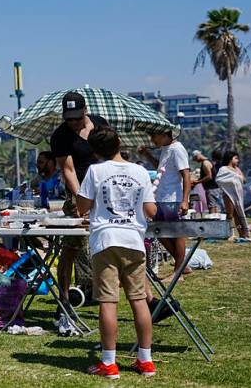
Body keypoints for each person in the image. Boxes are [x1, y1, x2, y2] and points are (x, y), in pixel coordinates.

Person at [76, 127, 158, 379]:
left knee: (108, 301)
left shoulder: (95, 171)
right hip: (133, 240)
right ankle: (145, 360)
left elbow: (82, 207)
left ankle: (109, 363)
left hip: (105, 240)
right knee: (139, 300)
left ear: (95, 151)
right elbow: (151, 210)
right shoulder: (140, 171)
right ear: (120, 143)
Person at [49, 92, 110, 307]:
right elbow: (68, 171)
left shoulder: (101, 124)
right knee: (71, 246)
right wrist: (80, 200)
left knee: (109, 243)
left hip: (105, 191)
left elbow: (111, 154)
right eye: (69, 118)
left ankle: (107, 293)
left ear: (85, 111)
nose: (73, 122)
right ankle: (64, 299)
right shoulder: (60, 136)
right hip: (78, 192)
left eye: (77, 117)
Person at [138, 131, 191, 276]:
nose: (152, 139)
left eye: (154, 135)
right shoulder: (165, 149)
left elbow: (186, 175)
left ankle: (178, 272)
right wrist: (147, 155)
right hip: (162, 197)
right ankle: (182, 265)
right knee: (159, 230)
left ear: (166, 135)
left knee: (176, 232)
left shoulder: (177, 148)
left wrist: (185, 200)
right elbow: (161, 168)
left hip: (173, 197)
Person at [214, 150, 251, 240]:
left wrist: (237, 174)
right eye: (236, 158)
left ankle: (242, 233)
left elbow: (244, 180)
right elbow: (219, 179)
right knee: (230, 214)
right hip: (228, 194)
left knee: (238, 215)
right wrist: (234, 177)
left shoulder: (237, 169)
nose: (238, 160)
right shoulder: (223, 169)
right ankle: (229, 233)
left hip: (238, 195)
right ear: (230, 159)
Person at [192, 150, 222, 214]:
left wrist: (198, 182)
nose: (196, 161)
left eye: (195, 159)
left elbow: (209, 176)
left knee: (211, 206)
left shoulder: (205, 163)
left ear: (198, 156)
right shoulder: (208, 161)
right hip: (214, 187)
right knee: (215, 206)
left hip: (211, 188)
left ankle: (213, 220)